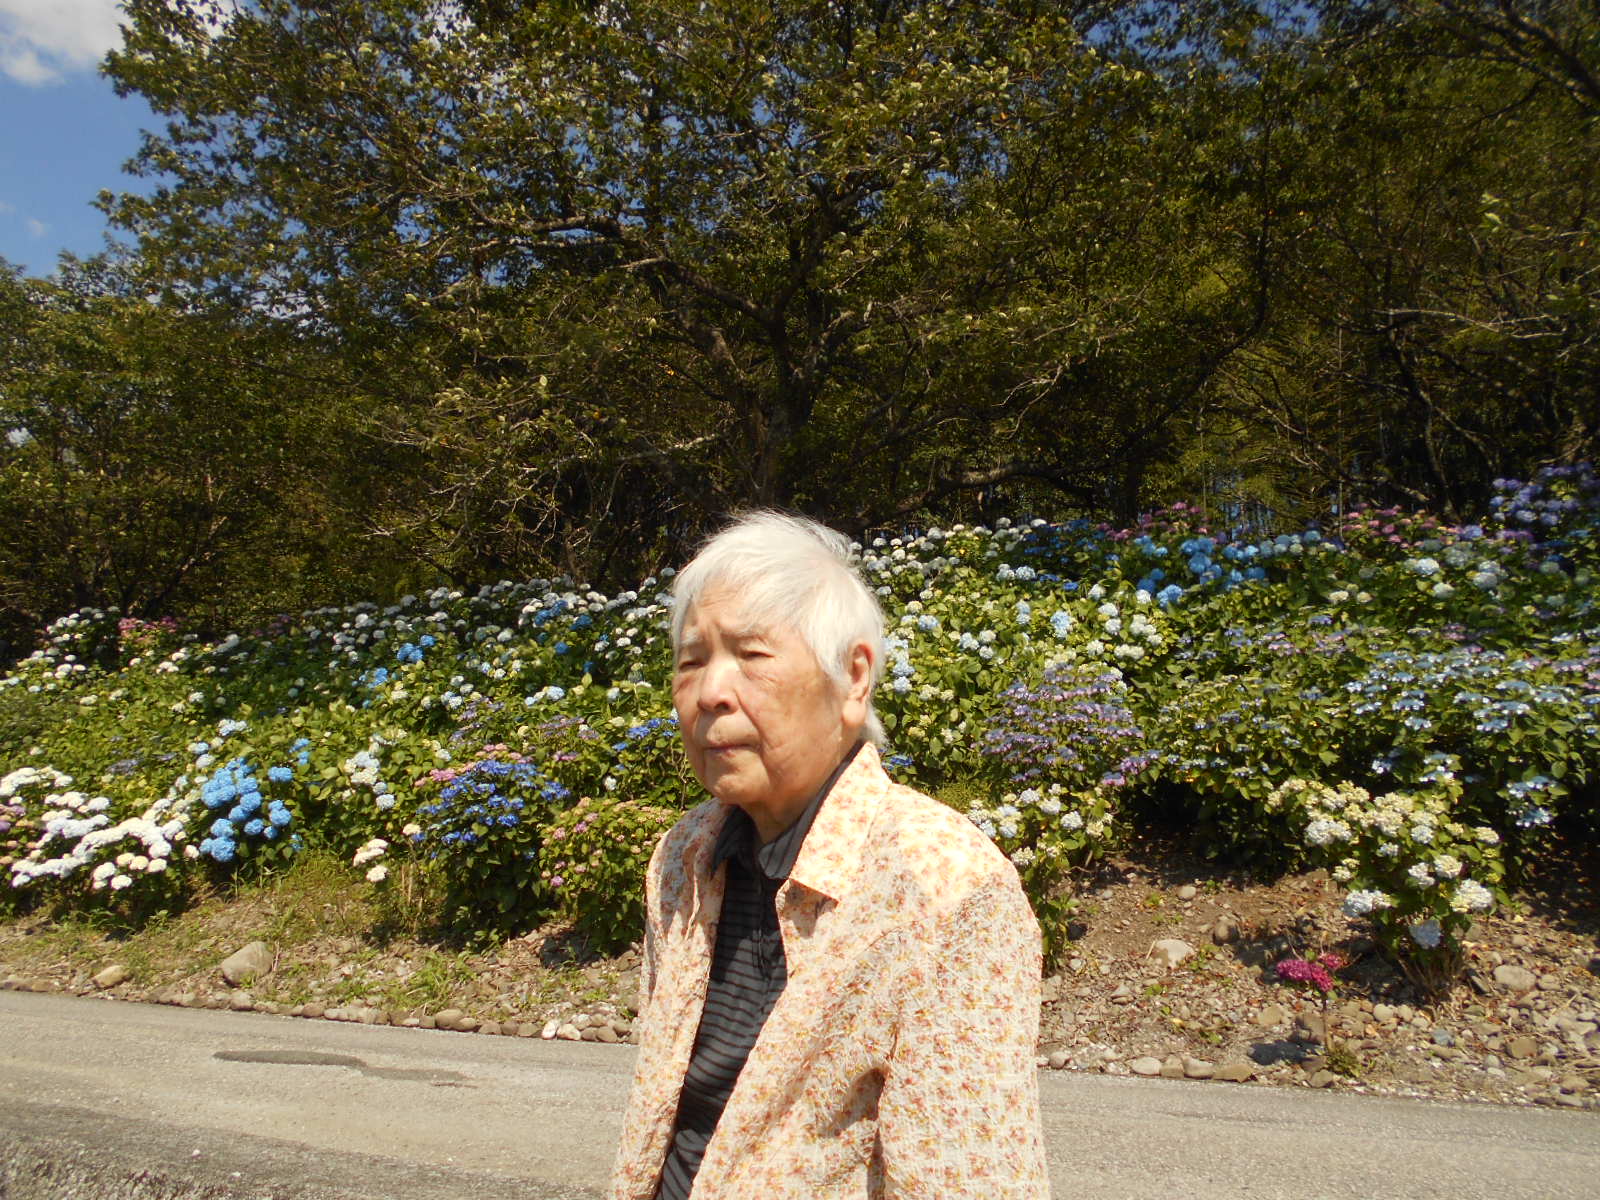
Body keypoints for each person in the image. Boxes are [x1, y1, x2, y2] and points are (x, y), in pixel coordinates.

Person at [607, 511, 1050, 1200]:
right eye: (691, 661)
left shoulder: (944, 886)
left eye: (752, 655)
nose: (710, 692)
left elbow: (967, 1178)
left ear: (853, 678)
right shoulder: (684, 857)